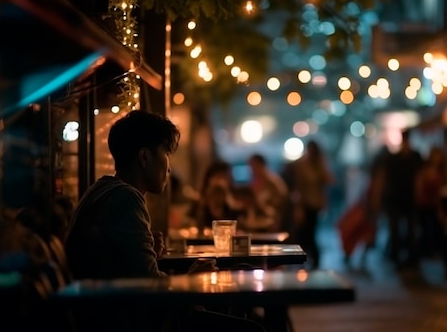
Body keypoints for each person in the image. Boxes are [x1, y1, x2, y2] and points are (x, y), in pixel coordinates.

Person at [64, 110, 265, 332]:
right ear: (144, 157)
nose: (169, 167)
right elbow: (150, 290)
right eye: (166, 153)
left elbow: (124, 268)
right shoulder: (126, 198)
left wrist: (152, 255)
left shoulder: (100, 189)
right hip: (125, 321)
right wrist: (190, 280)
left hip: (108, 313)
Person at [369, 130, 423, 268]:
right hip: (398, 198)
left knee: (406, 229)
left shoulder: (406, 157)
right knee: (399, 229)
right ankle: (401, 257)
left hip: (403, 198)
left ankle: (406, 258)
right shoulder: (402, 158)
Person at [290, 140, 335, 269]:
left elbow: (330, 180)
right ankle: (308, 259)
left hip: (315, 204)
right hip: (305, 203)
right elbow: (299, 186)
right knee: (305, 233)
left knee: (310, 232)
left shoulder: (319, 165)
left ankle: (313, 260)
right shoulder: (303, 165)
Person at [248, 153, 289, 231]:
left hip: (273, 220)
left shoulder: (273, 181)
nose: (251, 169)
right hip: (260, 219)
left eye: (253, 166)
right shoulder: (255, 181)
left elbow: (281, 201)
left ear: (261, 165)